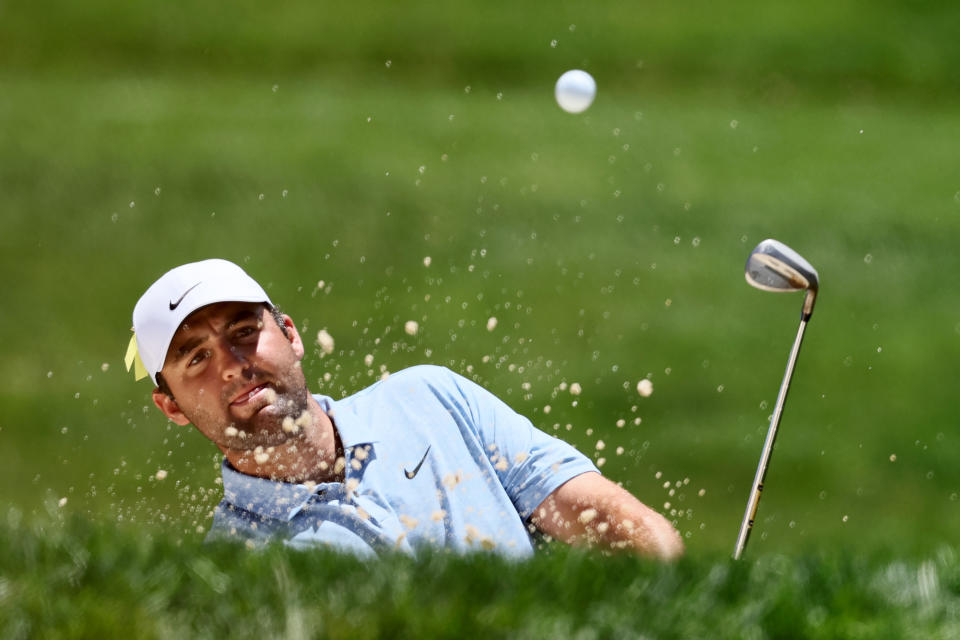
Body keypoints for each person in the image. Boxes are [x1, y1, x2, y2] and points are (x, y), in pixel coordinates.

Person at [126, 259, 683, 559]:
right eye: (196, 358)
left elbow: (607, 519)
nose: (229, 363)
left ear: (290, 334)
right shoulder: (239, 567)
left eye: (244, 331)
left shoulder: (430, 399)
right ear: (170, 406)